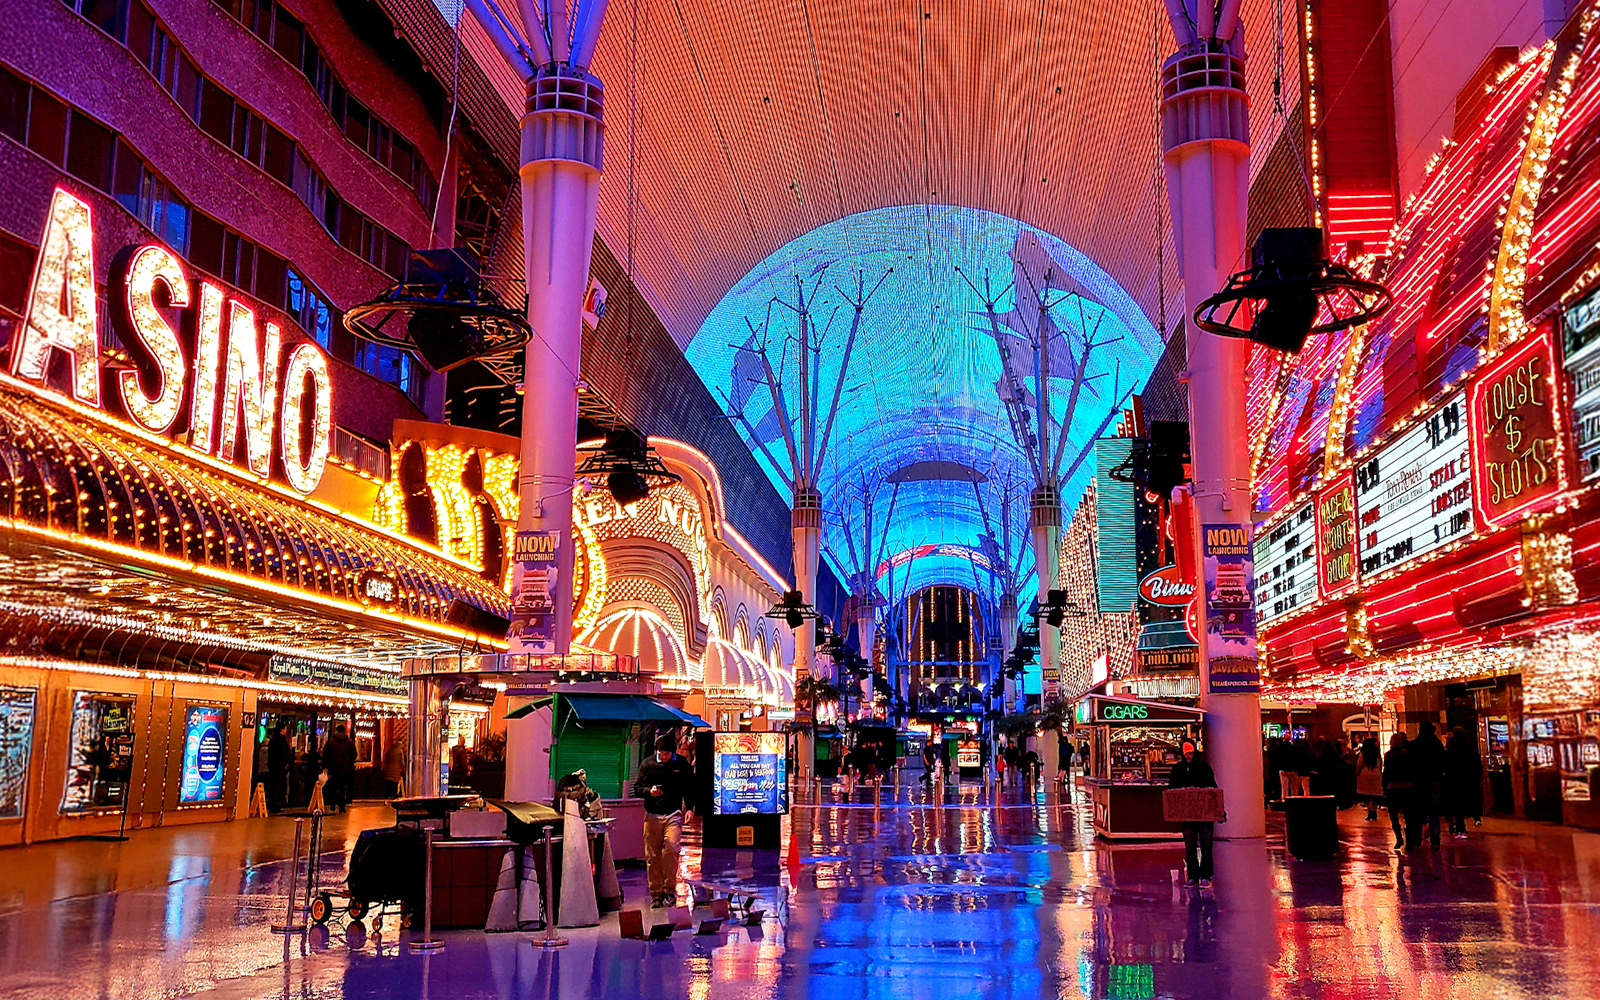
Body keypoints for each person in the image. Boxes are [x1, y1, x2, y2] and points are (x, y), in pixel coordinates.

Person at [632, 732, 694, 907]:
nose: (664, 757)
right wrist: (649, 792)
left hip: (673, 814)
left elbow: (689, 787)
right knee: (652, 856)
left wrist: (689, 808)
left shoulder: (681, 764)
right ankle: (656, 894)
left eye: (667, 754)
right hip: (652, 814)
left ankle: (669, 890)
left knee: (671, 849)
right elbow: (637, 788)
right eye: (662, 754)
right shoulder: (648, 764)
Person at [1168, 739, 1218, 889]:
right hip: (1188, 814)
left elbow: (1212, 788)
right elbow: (1173, 789)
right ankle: (1193, 875)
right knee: (1190, 846)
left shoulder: (1204, 768)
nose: (1188, 756)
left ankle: (1205, 875)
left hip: (1204, 814)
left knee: (1206, 844)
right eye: (1186, 753)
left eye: (1190, 753)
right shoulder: (1178, 769)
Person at [1411, 721, 1446, 848]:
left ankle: (1416, 839)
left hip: (1418, 781)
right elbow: (1443, 760)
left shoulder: (1415, 744)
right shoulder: (1437, 744)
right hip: (1434, 780)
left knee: (1418, 810)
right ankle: (1435, 839)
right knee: (1434, 810)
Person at [1444, 727, 1482, 837]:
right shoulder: (1471, 750)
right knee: (1466, 802)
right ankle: (1474, 818)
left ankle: (1460, 829)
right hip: (1468, 781)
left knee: (1457, 806)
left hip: (1455, 782)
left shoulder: (1451, 751)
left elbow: (1447, 766)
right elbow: (1477, 767)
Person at [1383, 732, 1417, 852]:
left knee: (1393, 814)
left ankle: (1398, 837)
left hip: (1393, 787)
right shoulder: (1408, 754)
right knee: (1408, 815)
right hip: (1407, 786)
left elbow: (1386, 773)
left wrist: (1384, 788)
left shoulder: (1388, 755)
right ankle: (1409, 840)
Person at [324, 723, 358, 813]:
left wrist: (326, 766)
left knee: (333, 787)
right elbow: (354, 754)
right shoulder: (349, 742)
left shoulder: (330, 741)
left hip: (333, 768)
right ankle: (342, 806)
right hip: (345, 769)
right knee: (342, 787)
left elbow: (325, 754)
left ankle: (332, 805)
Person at [1355, 737, 1384, 821]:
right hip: (1376, 775)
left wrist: (1357, 774)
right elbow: (1381, 764)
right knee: (1374, 795)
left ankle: (1370, 812)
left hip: (1365, 774)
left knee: (1367, 795)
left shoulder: (1363, 754)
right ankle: (1374, 811)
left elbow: (1359, 765)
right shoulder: (1377, 754)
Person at [265, 722, 291, 814]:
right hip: (278, 766)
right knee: (276, 786)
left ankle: (273, 804)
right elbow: (282, 753)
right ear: (282, 729)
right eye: (285, 728)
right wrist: (285, 763)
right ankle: (274, 805)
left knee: (274, 786)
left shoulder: (274, 739)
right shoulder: (280, 740)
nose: (286, 730)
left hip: (274, 766)